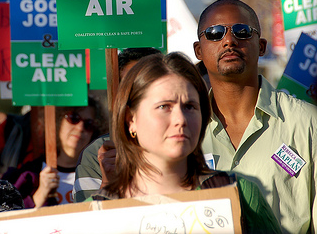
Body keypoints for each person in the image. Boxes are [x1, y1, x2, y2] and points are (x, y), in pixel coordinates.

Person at [89, 52, 280, 233]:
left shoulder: (239, 193)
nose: (180, 119)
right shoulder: (94, 213)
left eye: (190, 106)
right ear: (131, 119)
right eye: (164, 106)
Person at [193, 0, 317, 233]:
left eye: (242, 31)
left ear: (261, 46)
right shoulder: (183, 129)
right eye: (215, 33)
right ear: (199, 50)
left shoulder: (307, 122)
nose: (229, 40)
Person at [73, 47, 161, 202]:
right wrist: (109, 185)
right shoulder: (98, 155)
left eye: (151, 83)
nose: (142, 94)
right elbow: (85, 220)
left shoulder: (189, 138)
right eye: (132, 86)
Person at [3, 96, 107, 208]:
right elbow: (10, 216)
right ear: (58, 121)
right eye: (73, 118)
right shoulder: (30, 174)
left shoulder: (101, 173)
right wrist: (40, 194)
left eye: (88, 124)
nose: (80, 128)